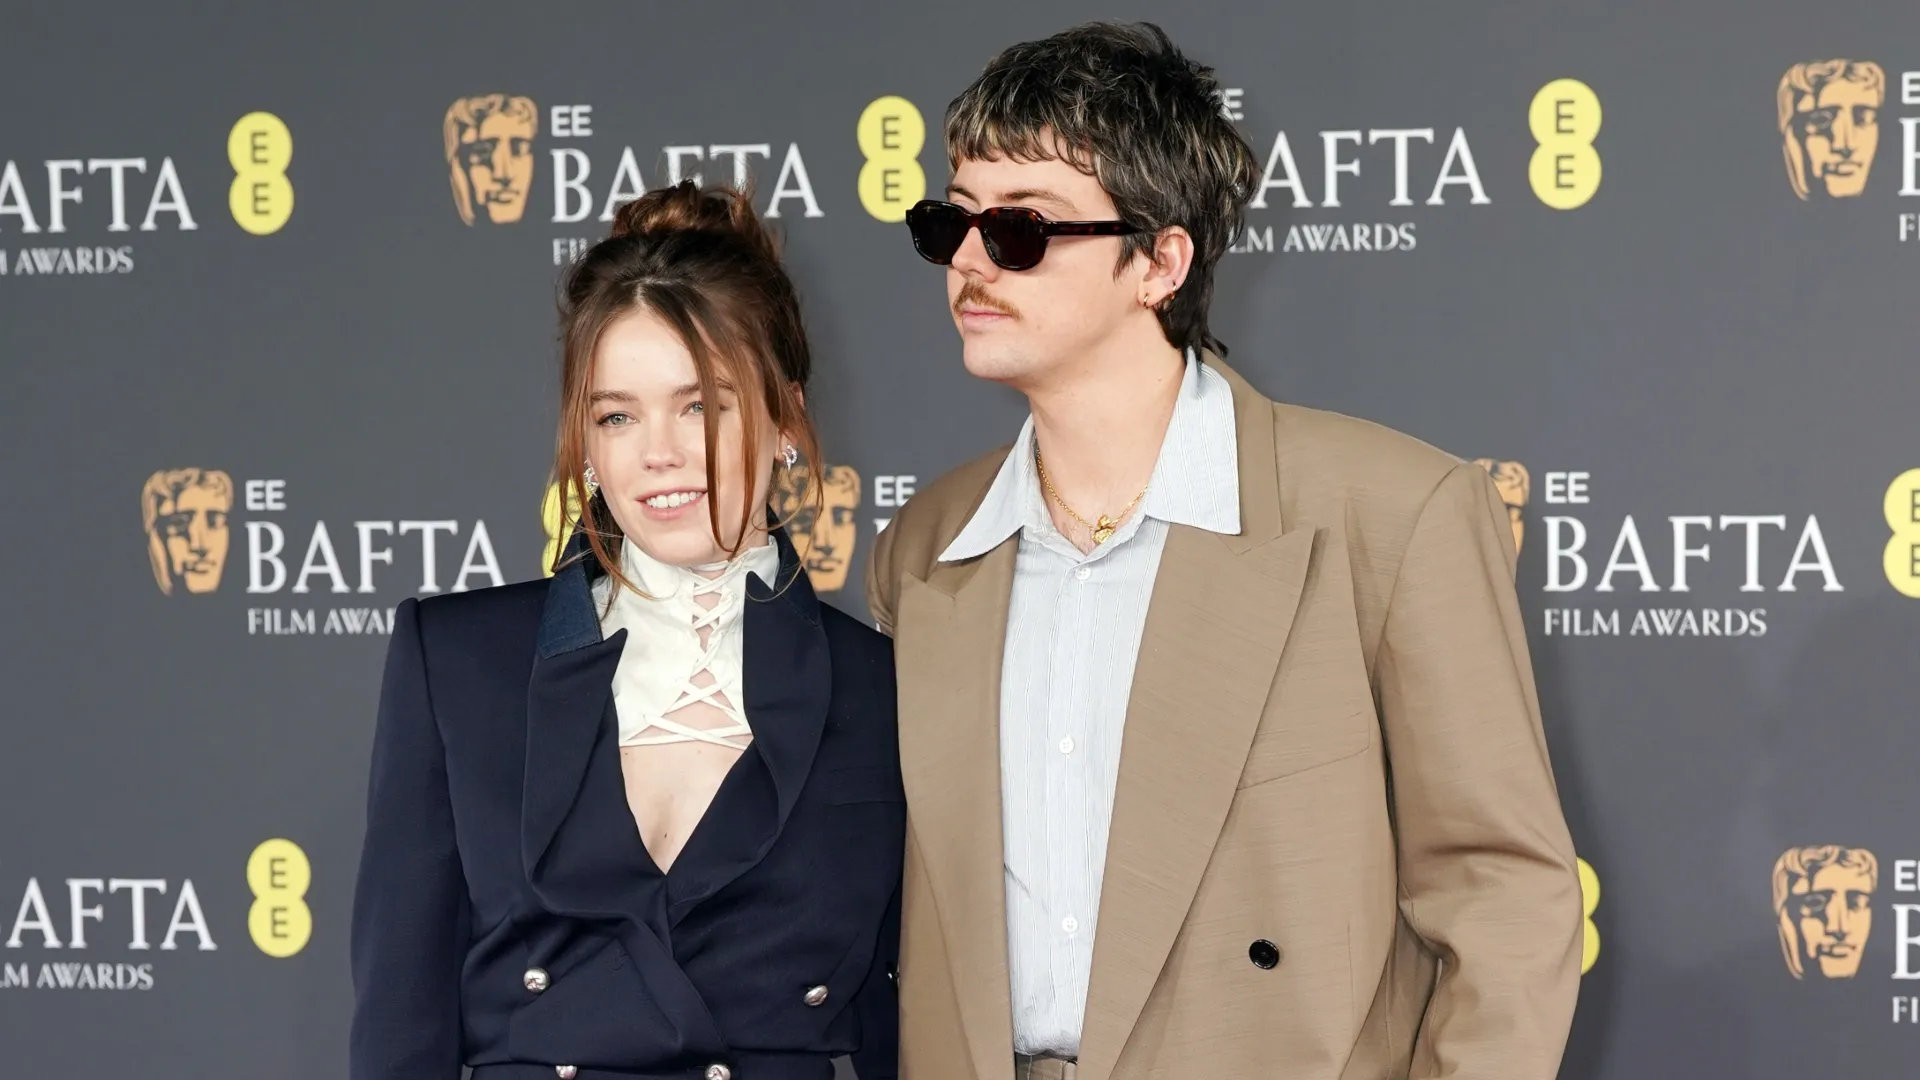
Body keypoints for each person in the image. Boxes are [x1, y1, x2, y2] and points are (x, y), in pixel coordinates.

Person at [867, 22, 1581, 1080]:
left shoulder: (1390, 513)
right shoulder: (929, 545)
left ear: (1160, 261)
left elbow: (1504, 891)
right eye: (949, 223)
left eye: (1023, 230)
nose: (971, 260)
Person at [351, 181, 901, 1080]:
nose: (659, 453)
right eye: (617, 415)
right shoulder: (454, 664)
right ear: (585, 442)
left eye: (704, 404)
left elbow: (903, 1021)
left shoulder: (881, 688)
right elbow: (398, 1028)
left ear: (787, 419)